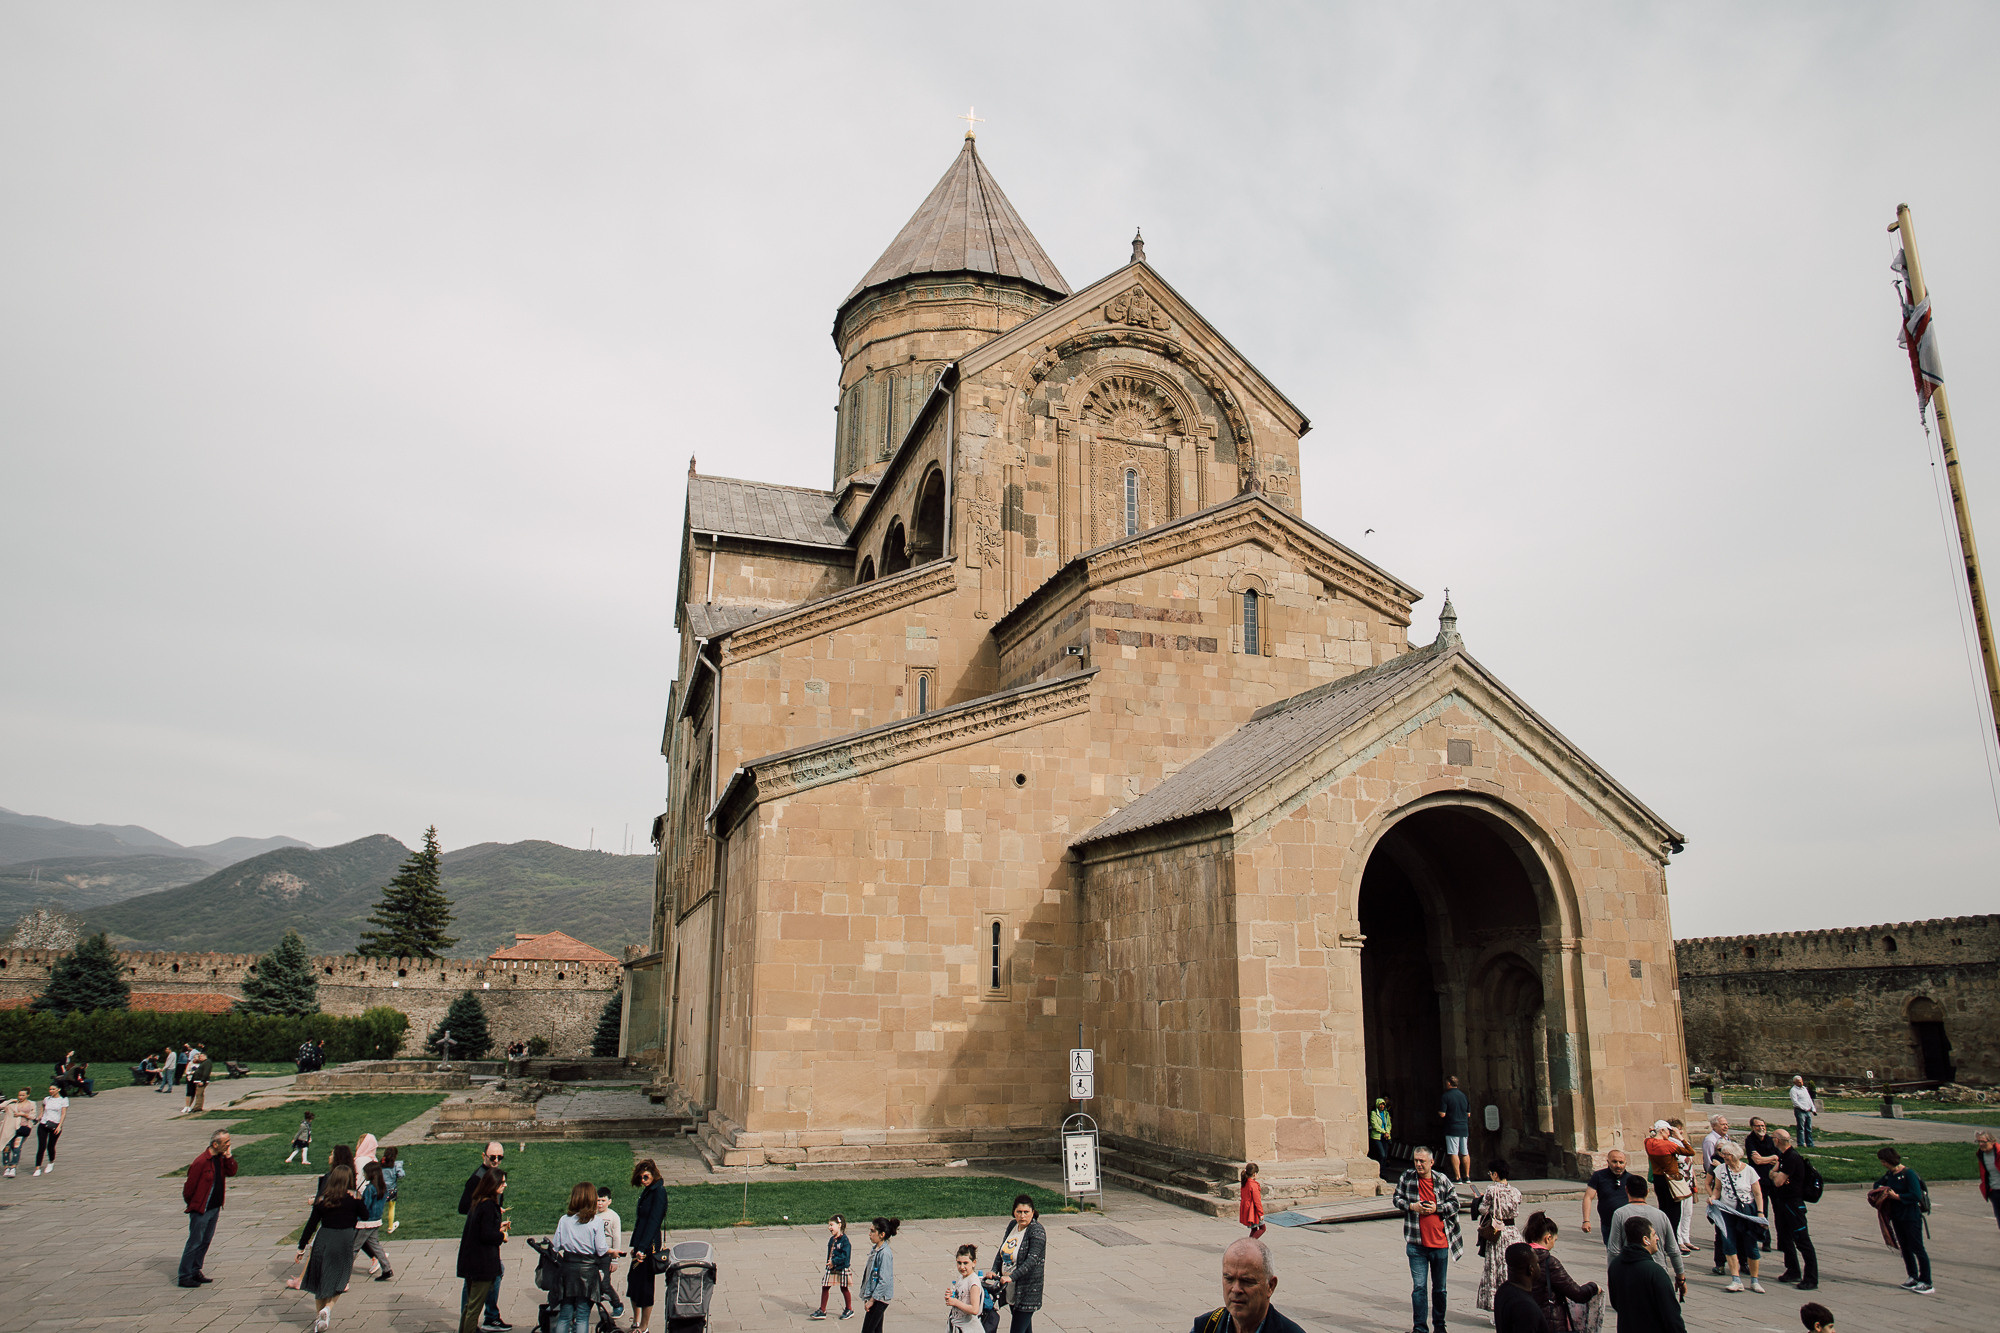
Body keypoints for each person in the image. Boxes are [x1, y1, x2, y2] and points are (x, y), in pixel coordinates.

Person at [1393, 1144, 1461, 1333]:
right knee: (1419, 1288)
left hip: (1439, 1244)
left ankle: (1439, 1326)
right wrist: (1412, 1206)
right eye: (1416, 1160)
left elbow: (1455, 1203)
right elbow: (1396, 1198)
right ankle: (1420, 1328)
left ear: (1432, 1162)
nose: (1418, 1164)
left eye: (1422, 1161)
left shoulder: (1441, 1180)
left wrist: (1436, 1208)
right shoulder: (1407, 1177)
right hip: (1416, 1243)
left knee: (1440, 1289)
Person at [1186, 1237, 1306, 1333]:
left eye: (1247, 1281)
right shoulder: (1207, 1327)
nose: (1236, 1289)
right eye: (1229, 1279)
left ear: (1270, 1286)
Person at [297, 1163, 365, 1330]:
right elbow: (366, 1215)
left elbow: (311, 1225)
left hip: (324, 1238)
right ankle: (328, 1309)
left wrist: (301, 1247)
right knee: (340, 1277)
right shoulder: (353, 1200)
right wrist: (359, 1199)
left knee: (320, 1278)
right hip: (344, 1239)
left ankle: (319, 1318)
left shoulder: (322, 1201)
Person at [459, 1142, 512, 1329]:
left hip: (476, 1253)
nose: (496, 1160)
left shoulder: (488, 1200)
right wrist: (500, 1234)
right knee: (473, 1302)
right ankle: (487, 1317)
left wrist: (495, 1217)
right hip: (480, 1257)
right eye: (493, 1157)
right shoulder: (479, 1184)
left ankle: (487, 1316)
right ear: (484, 1156)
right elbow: (465, 1208)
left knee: (472, 1302)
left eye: (500, 1157)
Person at [1605, 1176, 1685, 1301]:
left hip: (1631, 1273)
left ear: (1626, 1190)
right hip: (1659, 1271)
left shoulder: (1620, 1214)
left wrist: (1614, 1278)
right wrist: (1680, 1277)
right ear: (1648, 1192)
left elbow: (1614, 1251)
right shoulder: (1661, 1215)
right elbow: (1673, 1250)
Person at [1867, 1146, 1931, 1294]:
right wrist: (1884, 1190)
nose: (1882, 1164)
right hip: (1897, 1216)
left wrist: (1898, 1197)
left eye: (1884, 1161)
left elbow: (1915, 1195)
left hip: (1911, 1216)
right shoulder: (1890, 1175)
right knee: (1905, 1247)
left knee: (1917, 1248)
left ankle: (1926, 1280)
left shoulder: (1909, 1174)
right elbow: (1877, 1184)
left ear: (1890, 1160)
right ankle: (1913, 1276)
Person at [178, 1129, 237, 1287]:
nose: (228, 1145)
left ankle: (195, 1270)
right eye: (226, 1143)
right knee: (195, 1242)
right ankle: (184, 1275)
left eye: (229, 1142)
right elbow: (189, 1189)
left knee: (205, 1241)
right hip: (201, 1210)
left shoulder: (220, 1158)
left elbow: (232, 1171)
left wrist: (229, 1156)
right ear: (215, 1144)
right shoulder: (201, 1162)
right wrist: (195, 1205)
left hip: (214, 1208)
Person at [1521, 1212, 1598, 1332]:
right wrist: (1593, 1287)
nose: (1553, 1244)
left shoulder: (1519, 1257)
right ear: (1548, 1238)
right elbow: (1578, 1294)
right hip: (1548, 1322)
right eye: (1554, 1240)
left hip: (1524, 1320)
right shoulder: (1549, 1262)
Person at [1606, 1217, 1685, 1333]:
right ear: (1645, 1240)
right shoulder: (1655, 1272)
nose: (1657, 1238)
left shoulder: (1615, 1265)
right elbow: (1671, 1315)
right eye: (1654, 1235)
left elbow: (1615, 1302)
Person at [1708, 1139, 1767, 1293]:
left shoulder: (1749, 1171)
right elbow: (1717, 1189)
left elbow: (1757, 1193)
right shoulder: (1720, 1169)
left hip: (1746, 1213)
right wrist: (1713, 1198)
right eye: (1723, 1154)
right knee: (1728, 1243)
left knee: (1751, 1245)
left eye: (1726, 1154)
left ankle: (1754, 1280)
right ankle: (1736, 1279)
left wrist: (1760, 1212)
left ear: (1734, 1156)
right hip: (1727, 1213)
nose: (1724, 1156)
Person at [552, 1181, 609, 1333]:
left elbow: (556, 1245)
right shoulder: (596, 1221)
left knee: (565, 1315)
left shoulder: (564, 1220)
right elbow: (601, 1249)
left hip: (568, 1269)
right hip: (588, 1270)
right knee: (583, 1316)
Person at [1766, 1128, 1817, 1289]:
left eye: (1773, 1137)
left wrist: (1775, 1174)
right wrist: (1775, 1174)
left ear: (1778, 1140)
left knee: (1802, 1240)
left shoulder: (1791, 1158)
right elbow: (1771, 1174)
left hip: (1793, 1204)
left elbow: (1777, 1180)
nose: (1772, 1139)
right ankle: (1792, 1269)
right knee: (1785, 1238)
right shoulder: (1784, 1156)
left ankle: (1811, 1277)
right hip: (1782, 1202)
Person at [1476, 1158, 1526, 1312]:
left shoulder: (1492, 1190)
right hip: (1513, 1233)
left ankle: (1497, 1305)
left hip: (1498, 1233)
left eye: (1491, 1173)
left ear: (1495, 1174)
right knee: (1511, 1268)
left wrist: (1480, 1199)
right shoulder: (1516, 1191)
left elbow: (1483, 1210)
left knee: (1496, 1269)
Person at [993, 1195, 1045, 1333]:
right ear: (1014, 1212)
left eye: (1026, 1212)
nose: (1022, 1216)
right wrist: (994, 1270)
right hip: (1011, 1289)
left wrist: (1011, 1277)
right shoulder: (1012, 1226)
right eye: (1019, 1212)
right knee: (1025, 1329)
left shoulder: (1037, 1231)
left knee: (1017, 1330)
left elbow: (1031, 1261)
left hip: (1027, 1290)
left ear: (1032, 1212)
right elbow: (1002, 1251)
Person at [627, 1159, 667, 1331]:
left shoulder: (658, 1192)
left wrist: (642, 1248)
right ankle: (636, 1320)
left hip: (648, 1247)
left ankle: (644, 1326)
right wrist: (635, 1246)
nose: (643, 1180)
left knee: (645, 1286)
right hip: (640, 1245)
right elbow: (641, 1221)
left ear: (653, 1175)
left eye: (646, 1177)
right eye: (640, 1177)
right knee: (633, 1282)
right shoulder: (648, 1191)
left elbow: (653, 1222)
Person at [1493, 1243, 1549, 1333]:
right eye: (1537, 1263)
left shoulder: (1503, 1290)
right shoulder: (1526, 1307)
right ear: (1531, 1269)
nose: (1539, 1267)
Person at [857, 1217, 899, 1333]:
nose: (869, 1234)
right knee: (876, 1330)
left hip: (879, 1299)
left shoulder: (884, 1254)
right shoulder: (875, 1250)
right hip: (875, 1296)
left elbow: (884, 1281)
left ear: (882, 1234)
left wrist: (872, 1300)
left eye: (872, 1231)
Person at [1581, 1150, 1631, 1244]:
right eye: (1614, 1161)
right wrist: (1586, 1220)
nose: (1618, 1165)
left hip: (1628, 1224)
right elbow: (1588, 1197)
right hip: (1608, 1223)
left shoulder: (1631, 1179)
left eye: (1621, 1162)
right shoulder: (1599, 1176)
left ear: (1626, 1163)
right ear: (1608, 1162)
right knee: (1612, 1252)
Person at [814, 1213, 854, 1320]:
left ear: (839, 1225)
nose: (829, 1228)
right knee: (825, 1286)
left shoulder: (845, 1241)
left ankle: (849, 1309)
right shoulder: (832, 1239)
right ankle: (822, 1310)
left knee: (844, 1288)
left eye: (831, 1225)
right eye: (829, 1225)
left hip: (841, 1267)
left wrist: (834, 1261)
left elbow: (845, 1256)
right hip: (832, 1267)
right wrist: (829, 1264)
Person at [1664, 1119, 1697, 1254]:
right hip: (1678, 1182)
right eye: (1678, 1130)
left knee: (1688, 1212)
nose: (1681, 1132)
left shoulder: (1684, 1142)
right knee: (1680, 1211)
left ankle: (1685, 1238)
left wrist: (1694, 1182)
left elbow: (1690, 1160)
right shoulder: (1670, 1144)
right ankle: (1678, 1240)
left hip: (1688, 1181)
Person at [358, 1159, 394, 1280]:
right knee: (375, 1245)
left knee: (353, 1247)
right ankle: (387, 1268)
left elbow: (365, 1207)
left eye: (365, 1173)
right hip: (376, 1220)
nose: (364, 1175)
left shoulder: (369, 1189)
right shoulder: (382, 1188)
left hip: (365, 1222)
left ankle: (343, 1275)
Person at [594, 1184, 626, 1318]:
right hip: (593, 1254)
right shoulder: (592, 1214)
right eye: (598, 1200)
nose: (600, 1204)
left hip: (606, 1255)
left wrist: (615, 1259)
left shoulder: (613, 1217)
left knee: (604, 1283)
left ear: (609, 1201)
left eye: (603, 1200)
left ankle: (617, 1305)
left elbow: (617, 1237)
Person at [1438, 1076, 1472, 1181]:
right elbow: (1469, 1113)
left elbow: (1442, 1114)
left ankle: (1458, 1177)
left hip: (1452, 1127)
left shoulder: (1446, 1096)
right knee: (1465, 1152)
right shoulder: (1463, 1096)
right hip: (1464, 1127)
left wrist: (1439, 1112)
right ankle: (1467, 1176)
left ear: (1449, 1083)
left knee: (1454, 1152)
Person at [1744, 1117, 1779, 1218]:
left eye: (1762, 1126)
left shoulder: (1769, 1139)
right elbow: (1757, 1161)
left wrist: (1766, 1158)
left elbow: (1778, 1157)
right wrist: (1772, 1157)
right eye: (1758, 1126)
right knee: (1762, 1210)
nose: (1761, 1128)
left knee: (1778, 1208)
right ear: (1753, 1127)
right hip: (1759, 1180)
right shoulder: (1750, 1140)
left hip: (1772, 1179)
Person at [946, 1244, 984, 1333]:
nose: (962, 1267)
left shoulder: (973, 1282)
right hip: (957, 1325)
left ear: (974, 1263)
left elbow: (975, 1310)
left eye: (965, 1263)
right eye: (959, 1263)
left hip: (969, 1328)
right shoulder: (962, 1277)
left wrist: (956, 1302)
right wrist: (951, 1296)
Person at [32, 1082, 66, 1175]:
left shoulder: (63, 1100)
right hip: (43, 1124)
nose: (51, 1091)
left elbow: (63, 1114)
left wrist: (59, 1126)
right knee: (41, 1146)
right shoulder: (46, 1099)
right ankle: (37, 1168)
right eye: (50, 1089)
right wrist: (39, 1117)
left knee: (50, 1146)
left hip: (55, 1125)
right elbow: (43, 1108)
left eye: (53, 1089)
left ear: (58, 1089)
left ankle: (51, 1162)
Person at [1, 1087, 33, 1178]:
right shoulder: (12, 1104)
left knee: (16, 1147)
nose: (21, 1097)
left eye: (23, 1095)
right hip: (10, 1129)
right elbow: (1, 1106)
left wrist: (22, 1114)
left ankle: (13, 1167)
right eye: (19, 1095)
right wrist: (10, 1100)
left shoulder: (31, 1104)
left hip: (22, 1129)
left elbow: (33, 1116)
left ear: (27, 1095)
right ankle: (6, 1167)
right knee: (6, 1148)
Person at [1976, 1130, 1999, 1234]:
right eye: (1978, 1141)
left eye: (1983, 1142)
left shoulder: (1998, 1153)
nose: (1981, 1144)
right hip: (1994, 1191)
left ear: (1992, 1141)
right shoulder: (1981, 1155)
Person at [381, 1146, 405, 1233]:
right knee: (392, 1207)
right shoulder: (396, 1165)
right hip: (392, 1189)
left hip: (382, 1189)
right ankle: (390, 1227)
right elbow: (401, 1175)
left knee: (381, 1206)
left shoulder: (381, 1164)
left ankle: (377, 1222)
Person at [1239, 1162, 1265, 1239]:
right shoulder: (1253, 1185)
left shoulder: (1245, 1182)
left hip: (1247, 1209)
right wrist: (1261, 1213)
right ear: (1254, 1174)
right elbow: (1257, 1201)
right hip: (1253, 1211)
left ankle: (1248, 1244)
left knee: (1254, 1229)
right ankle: (1249, 1244)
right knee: (1263, 1228)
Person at [1789, 1077, 1816, 1148]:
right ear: (1795, 1083)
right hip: (1800, 1110)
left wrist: (1813, 1108)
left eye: (1801, 1082)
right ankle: (1801, 1144)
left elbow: (1809, 1099)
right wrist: (1803, 1108)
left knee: (1808, 1128)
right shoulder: (1793, 1090)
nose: (1801, 1083)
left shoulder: (1804, 1089)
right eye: (1798, 1082)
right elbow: (1795, 1102)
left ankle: (1810, 1144)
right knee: (1801, 1128)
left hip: (1808, 1110)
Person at [1370, 1098, 1394, 1173]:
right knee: (1382, 1155)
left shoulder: (1386, 1113)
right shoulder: (1374, 1113)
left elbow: (1389, 1124)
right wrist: (1384, 1132)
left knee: (1385, 1156)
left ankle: (1383, 1172)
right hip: (1377, 1136)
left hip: (1385, 1137)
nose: (1382, 1106)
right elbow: (1375, 1125)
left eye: (1383, 1104)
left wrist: (1387, 1132)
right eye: (1380, 1104)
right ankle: (1379, 1171)